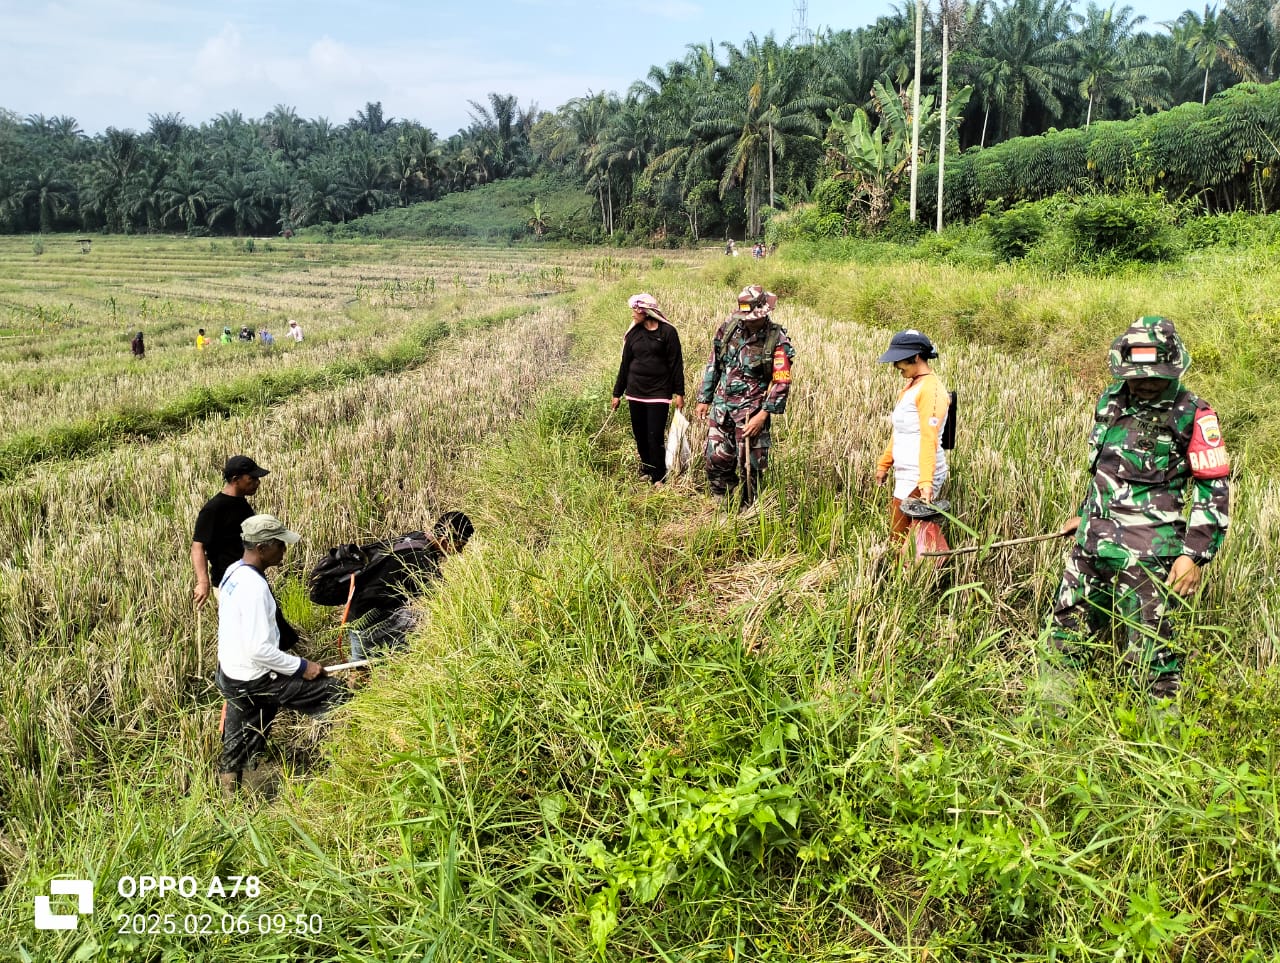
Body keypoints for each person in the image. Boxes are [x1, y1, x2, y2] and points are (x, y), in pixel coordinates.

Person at [1041, 315, 1230, 708]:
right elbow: (1105, 467)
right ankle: (1049, 721)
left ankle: (1162, 745)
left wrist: (1194, 554)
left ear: (1173, 365)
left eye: (1154, 375)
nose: (1144, 382)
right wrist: (1085, 512)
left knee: (1153, 652)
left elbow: (1214, 487)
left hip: (1150, 556)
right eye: (1136, 374)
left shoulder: (1193, 413)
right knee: (1066, 634)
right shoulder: (1111, 400)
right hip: (1092, 543)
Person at [216, 514, 350, 797]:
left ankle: (231, 803)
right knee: (339, 696)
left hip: (232, 673)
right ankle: (351, 760)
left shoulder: (233, 571)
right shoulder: (254, 588)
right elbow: (259, 649)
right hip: (257, 678)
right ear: (262, 548)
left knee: (239, 742)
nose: (284, 550)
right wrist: (303, 666)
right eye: (280, 544)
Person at [694, 285, 795, 507]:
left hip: (751, 413)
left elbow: (781, 381)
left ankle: (749, 510)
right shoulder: (728, 329)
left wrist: (763, 416)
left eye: (752, 318)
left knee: (750, 466)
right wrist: (705, 398)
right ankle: (723, 503)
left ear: (764, 313)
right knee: (716, 459)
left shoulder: (776, 340)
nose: (747, 321)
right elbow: (714, 363)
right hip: (722, 408)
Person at [345, 512, 475, 661]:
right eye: (459, 547)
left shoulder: (416, 539)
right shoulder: (421, 557)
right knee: (426, 621)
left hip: (358, 617)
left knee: (361, 668)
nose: (459, 552)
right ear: (445, 541)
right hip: (367, 626)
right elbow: (445, 600)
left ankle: (362, 668)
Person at [874, 330, 951, 542]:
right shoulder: (910, 387)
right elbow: (901, 431)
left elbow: (929, 438)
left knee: (901, 536)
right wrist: (885, 463)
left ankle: (913, 572)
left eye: (899, 362)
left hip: (919, 474)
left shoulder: (932, 390)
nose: (895, 367)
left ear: (916, 357)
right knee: (900, 533)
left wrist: (926, 482)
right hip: (905, 472)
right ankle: (905, 570)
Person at [611, 293, 685, 485]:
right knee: (640, 434)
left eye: (635, 311)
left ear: (646, 312)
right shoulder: (634, 334)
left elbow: (676, 363)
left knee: (654, 435)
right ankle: (647, 467)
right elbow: (625, 365)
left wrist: (679, 393)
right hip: (635, 392)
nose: (632, 314)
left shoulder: (668, 333)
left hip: (658, 393)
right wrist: (617, 393)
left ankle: (659, 476)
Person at [192, 455, 270, 608]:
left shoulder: (242, 505)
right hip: (229, 582)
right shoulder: (213, 509)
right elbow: (197, 547)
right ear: (236, 479)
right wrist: (203, 582)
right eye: (252, 478)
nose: (257, 482)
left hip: (249, 577)